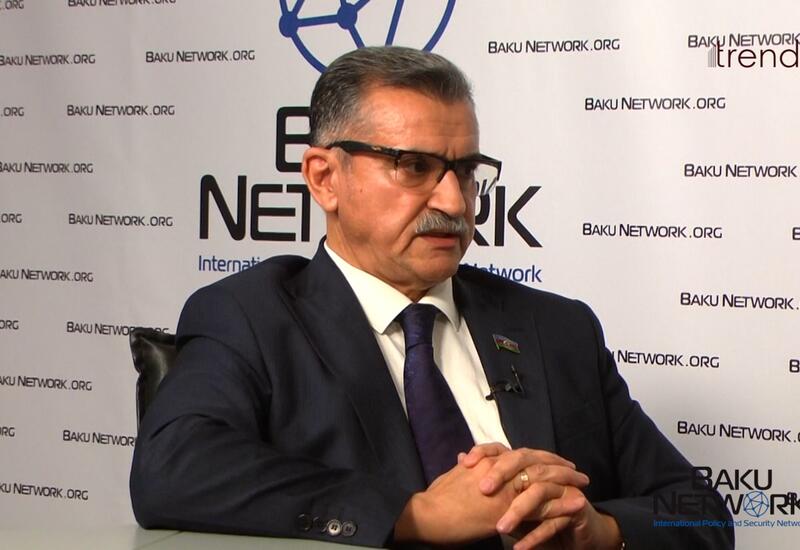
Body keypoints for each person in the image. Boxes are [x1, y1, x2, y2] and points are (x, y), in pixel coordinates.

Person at [130, 46, 733, 549]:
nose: (453, 202)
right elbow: (173, 470)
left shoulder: (556, 327)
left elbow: (699, 512)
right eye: (413, 166)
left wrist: (599, 531)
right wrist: (414, 515)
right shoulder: (251, 316)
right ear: (324, 178)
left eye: (464, 171)